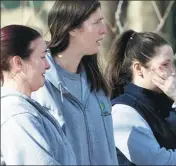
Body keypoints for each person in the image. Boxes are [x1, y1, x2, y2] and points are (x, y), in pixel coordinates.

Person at [105, 30, 176, 165]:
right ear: (139, 69)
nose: (173, 71)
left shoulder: (174, 102)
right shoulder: (122, 111)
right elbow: (159, 161)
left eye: (173, 63)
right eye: (165, 65)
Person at [31, 0, 118, 165]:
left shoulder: (97, 83)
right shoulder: (40, 83)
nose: (104, 30)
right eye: (97, 22)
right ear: (72, 28)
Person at [1, 24, 76, 165]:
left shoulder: (24, 108)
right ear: (18, 63)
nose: (47, 65)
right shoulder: (17, 115)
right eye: (42, 57)